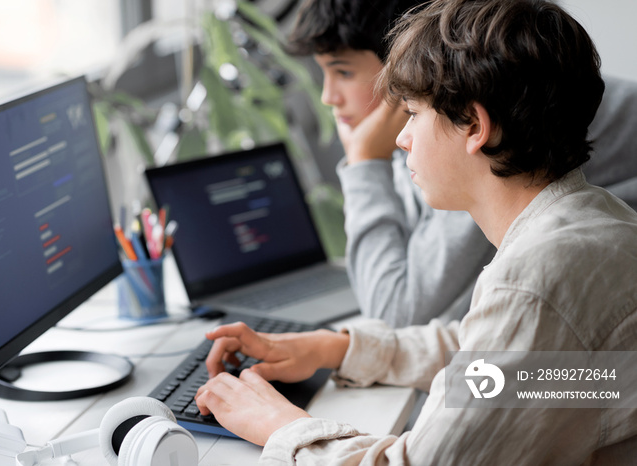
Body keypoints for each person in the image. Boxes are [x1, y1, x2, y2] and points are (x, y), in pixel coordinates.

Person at [194, 0, 637, 463]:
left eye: (412, 113)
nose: (402, 138)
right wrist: (339, 347)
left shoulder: (536, 282)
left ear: (474, 125)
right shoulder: (592, 224)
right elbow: (511, 365)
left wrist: (279, 426)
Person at [286, 0, 637, 329]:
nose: (328, 97)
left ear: (403, 58)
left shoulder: (484, 148)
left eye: (343, 72)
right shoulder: (455, 123)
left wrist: (364, 161)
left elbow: (395, 311)